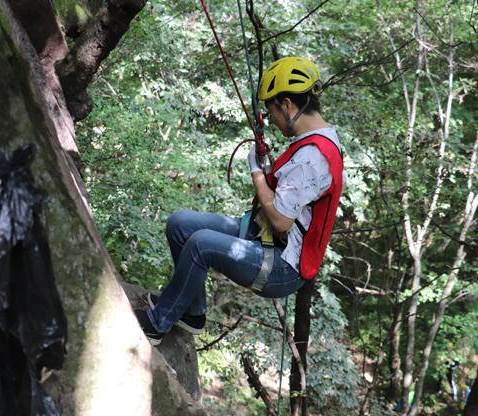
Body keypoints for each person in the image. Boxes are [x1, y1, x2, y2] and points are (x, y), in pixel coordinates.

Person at [134, 56, 345, 345]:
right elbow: (293, 196)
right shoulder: (312, 143)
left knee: (200, 243)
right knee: (180, 224)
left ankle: (157, 324)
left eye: (272, 110)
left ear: (287, 105)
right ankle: (191, 312)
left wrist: (258, 173)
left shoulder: (314, 156)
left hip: (282, 264)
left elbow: (282, 221)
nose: (271, 118)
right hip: (264, 237)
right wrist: (268, 169)